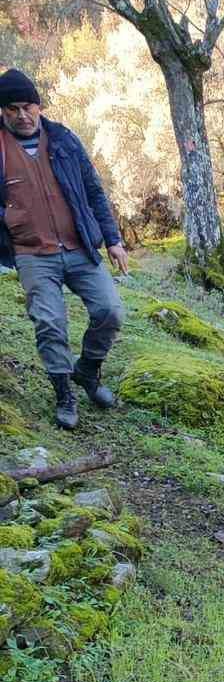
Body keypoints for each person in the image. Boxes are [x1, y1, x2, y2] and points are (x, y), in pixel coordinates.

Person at [0, 68, 128, 430]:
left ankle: (87, 371)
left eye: (28, 107)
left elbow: (94, 191)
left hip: (79, 247)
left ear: (39, 107)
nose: (22, 115)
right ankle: (63, 394)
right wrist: (10, 216)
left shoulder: (63, 140)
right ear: (3, 112)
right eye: (12, 109)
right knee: (50, 323)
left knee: (111, 310)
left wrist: (114, 240)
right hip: (31, 253)